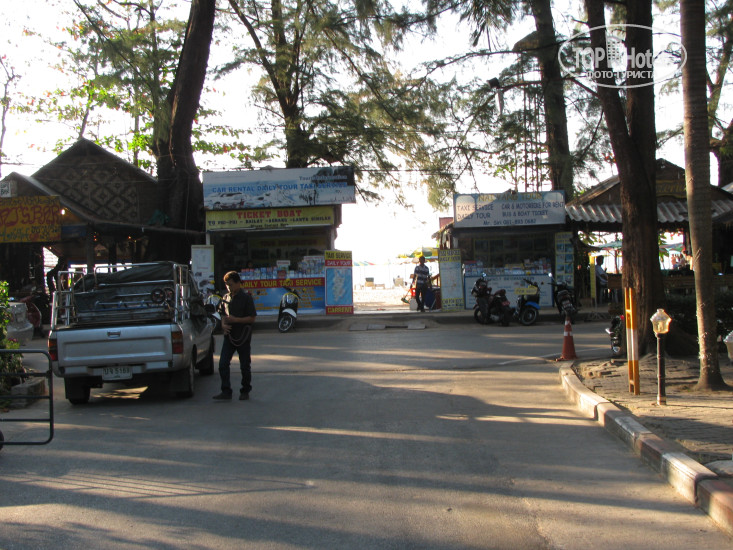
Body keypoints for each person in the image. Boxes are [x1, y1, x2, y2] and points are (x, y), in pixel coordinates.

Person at [213, 271, 257, 401]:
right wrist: (223, 325)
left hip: (243, 336)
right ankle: (226, 391)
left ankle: (245, 390)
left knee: (244, 365)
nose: (228, 287)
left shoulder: (246, 298)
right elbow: (222, 313)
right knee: (223, 364)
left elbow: (252, 318)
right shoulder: (226, 297)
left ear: (238, 283)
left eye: (231, 284)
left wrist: (236, 320)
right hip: (229, 336)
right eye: (227, 285)